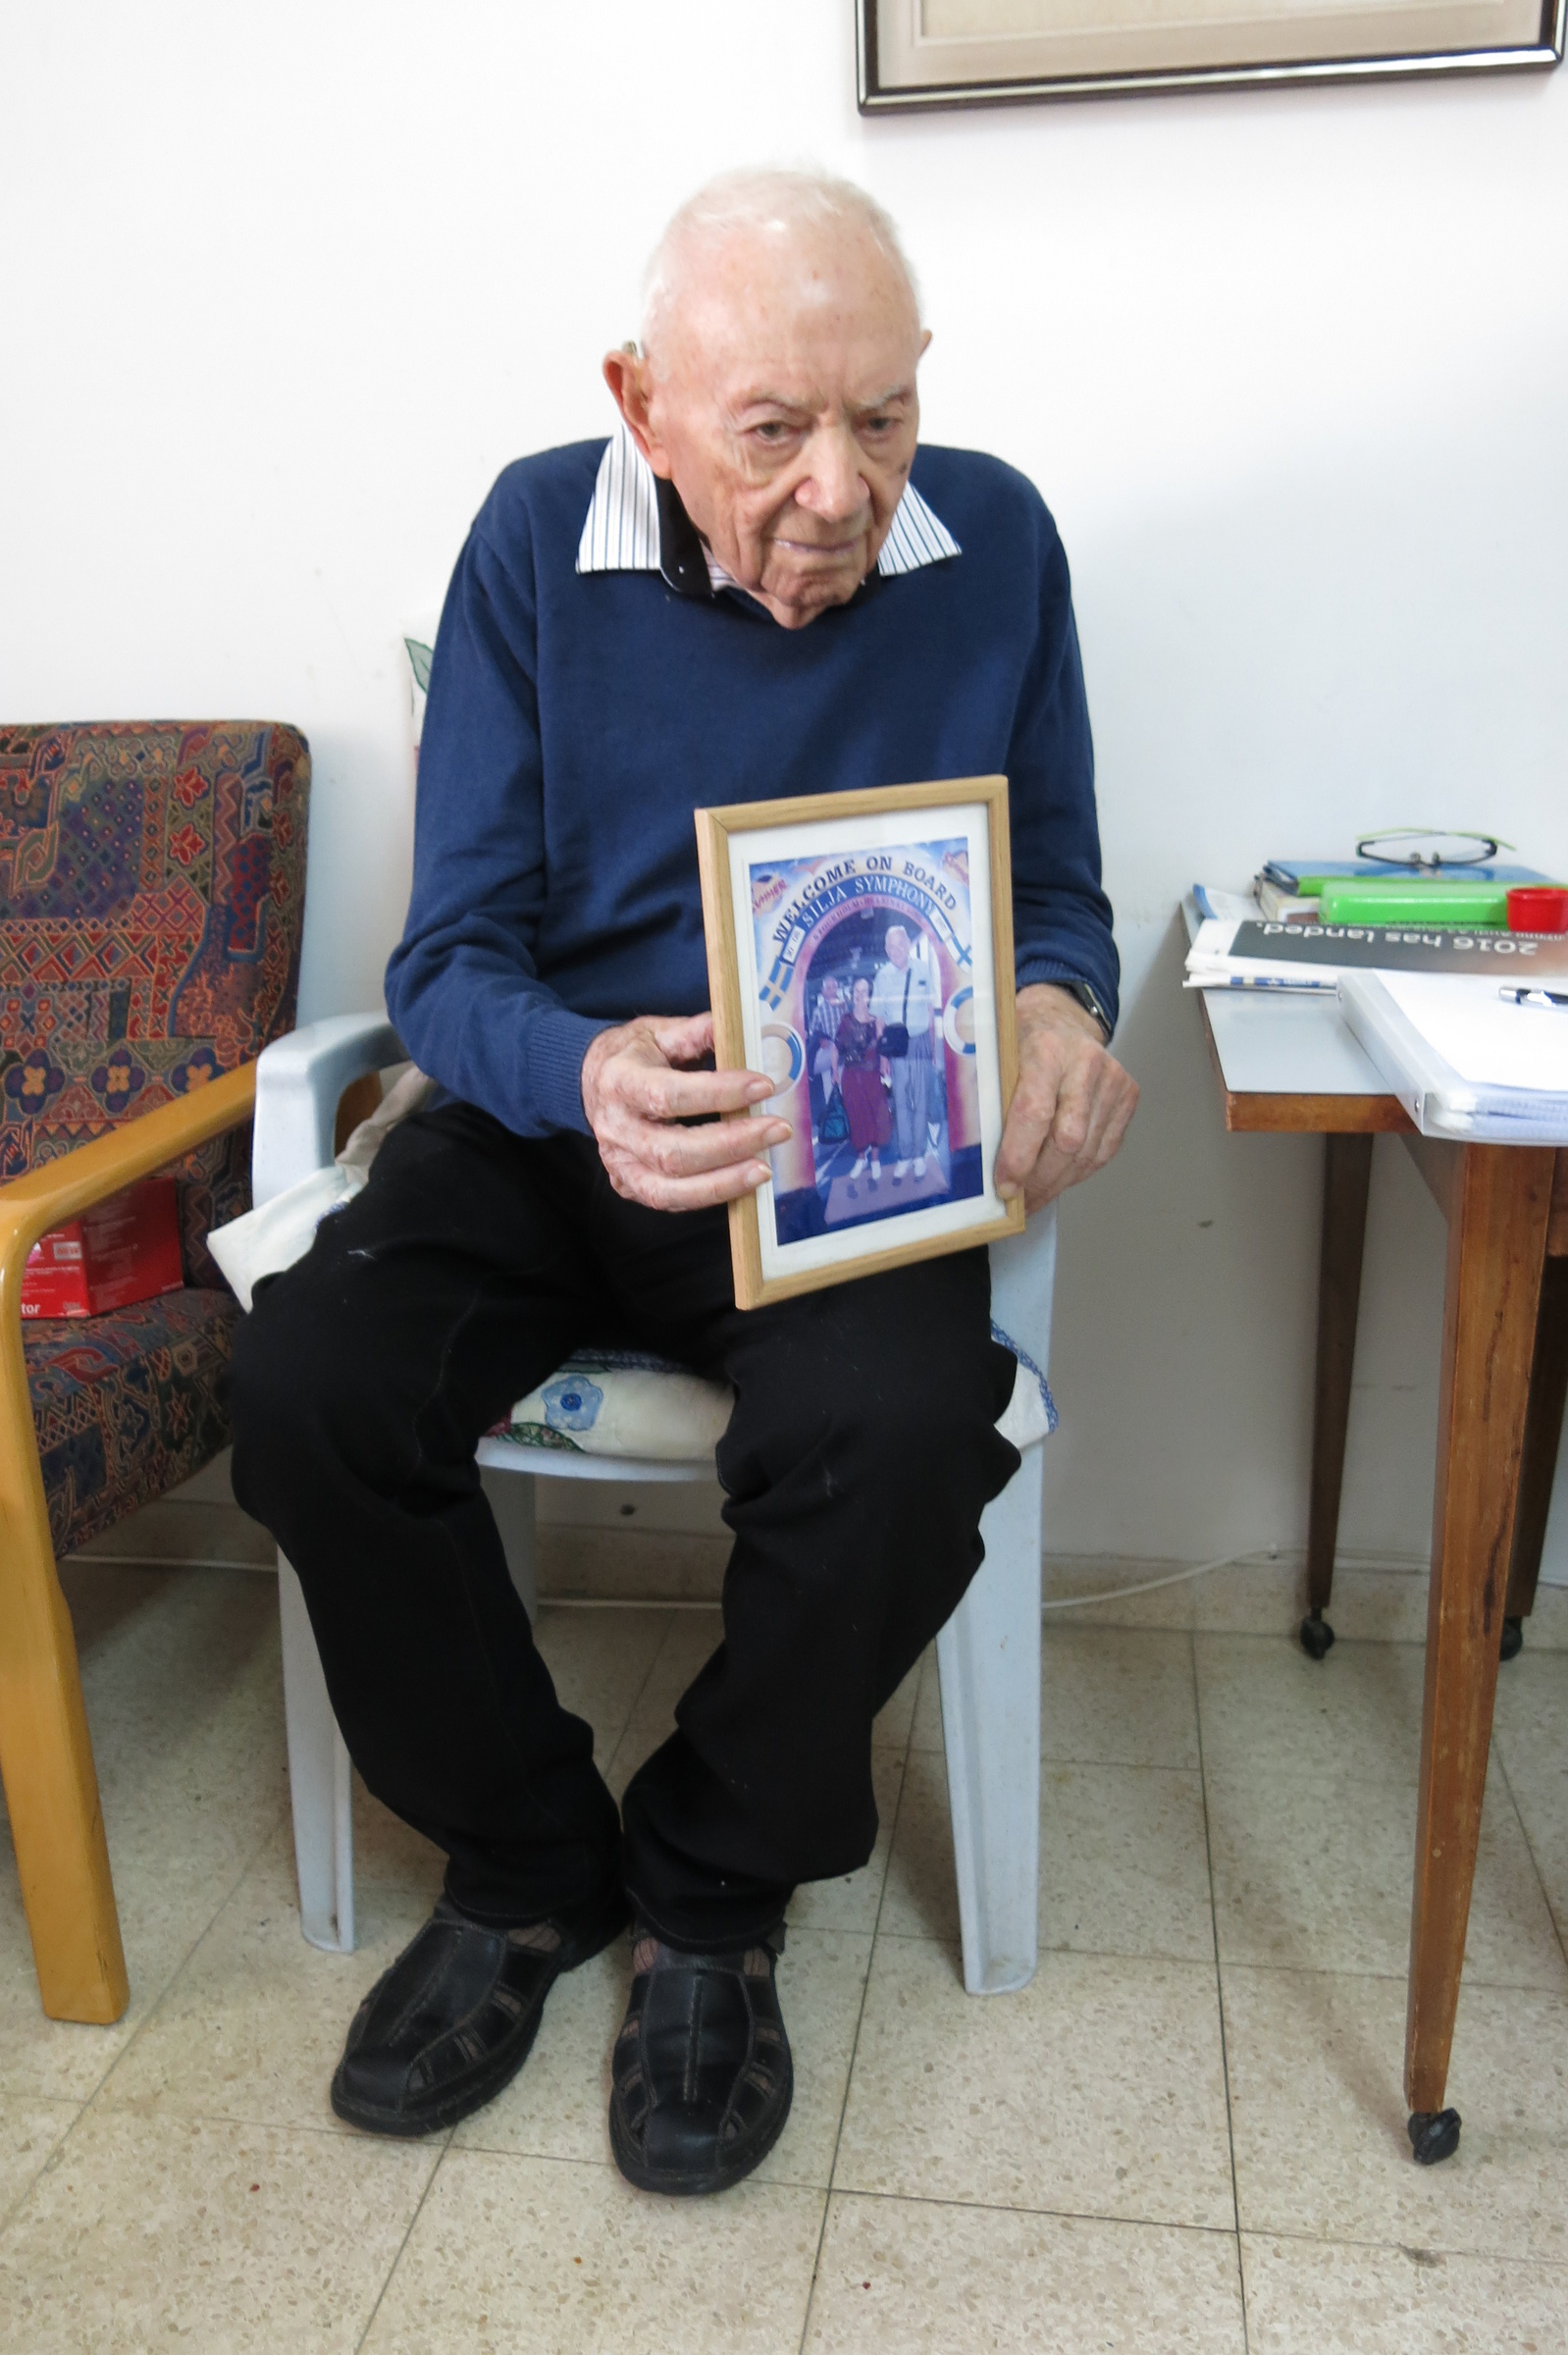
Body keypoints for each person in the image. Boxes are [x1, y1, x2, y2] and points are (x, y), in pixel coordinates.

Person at [229, 167, 1138, 2201]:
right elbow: (447, 960)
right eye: (774, 430)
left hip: (834, 1146)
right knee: (307, 1386)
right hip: (558, 1123)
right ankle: (525, 1858)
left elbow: (1058, 888)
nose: (841, 490)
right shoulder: (530, 541)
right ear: (638, 403)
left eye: (883, 416)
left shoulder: (996, 540)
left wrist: (1057, 1005)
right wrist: (583, 1074)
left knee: (903, 1431)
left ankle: (712, 1883)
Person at [870, 922, 940, 1181]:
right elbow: (879, 1020)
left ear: (908, 945)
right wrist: (883, 1057)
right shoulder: (882, 976)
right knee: (900, 1102)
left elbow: (930, 1012)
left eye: (899, 944)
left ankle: (919, 1154)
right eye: (890, 946)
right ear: (886, 949)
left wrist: (932, 1049)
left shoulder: (922, 969)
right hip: (896, 1045)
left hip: (920, 1041)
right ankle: (905, 1155)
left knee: (921, 1100)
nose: (895, 950)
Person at [834, 973, 890, 1193]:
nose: (859, 995)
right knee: (856, 1117)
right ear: (852, 995)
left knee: (875, 1116)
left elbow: (883, 1048)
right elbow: (836, 1048)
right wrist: (834, 1071)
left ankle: (874, 1160)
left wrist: (885, 1064)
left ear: (869, 995)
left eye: (864, 991)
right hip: (850, 1077)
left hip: (872, 1076)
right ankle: (861, 1158)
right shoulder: (845, 1020)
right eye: (856, 991)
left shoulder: (878, 1021)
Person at [807, 971, 844, 1135]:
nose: (832, 990)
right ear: (823, 991)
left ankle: (844, 1120)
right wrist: (821, 1039)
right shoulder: (818, 1011)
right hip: (828, 1051)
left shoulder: (843, 1006)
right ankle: (834, 1124)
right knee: (829, 1088)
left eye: (834, 987)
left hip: (842, 1050)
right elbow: (813, 1031)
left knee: (843, 1085)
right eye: (828, 988)